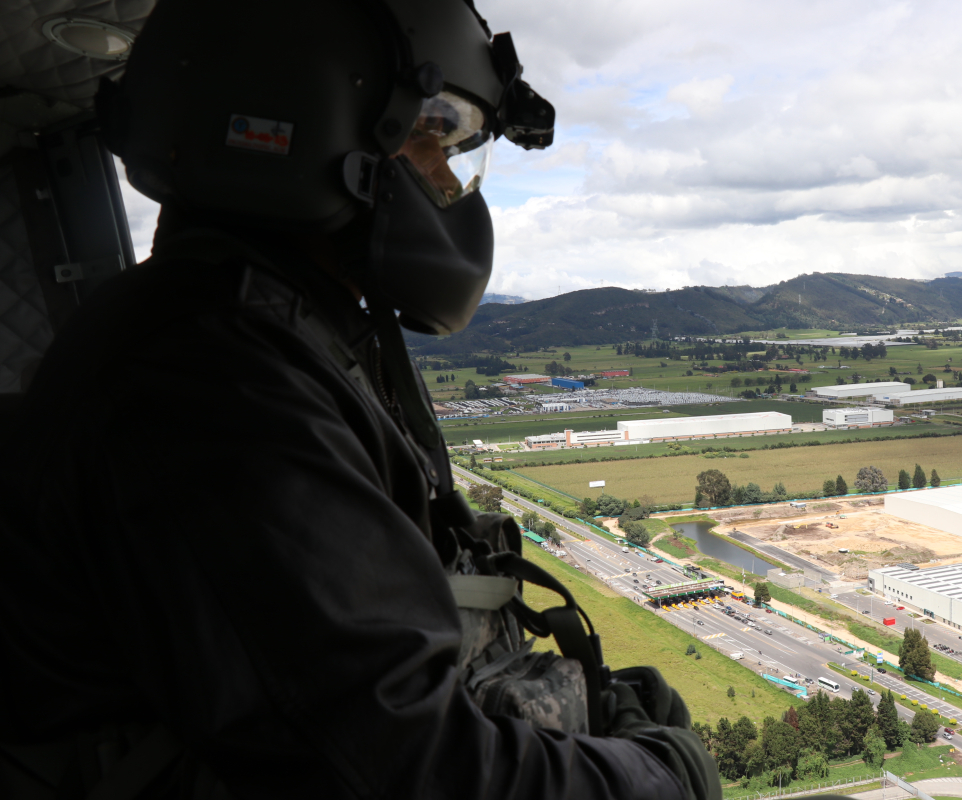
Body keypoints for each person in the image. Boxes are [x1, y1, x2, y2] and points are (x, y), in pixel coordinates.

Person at [0, 1, 717, 798]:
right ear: (316, 122)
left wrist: (591, 713)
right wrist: (659, 778)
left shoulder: (264, 333)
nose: (446, 179)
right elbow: (402, 769)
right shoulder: (209, 383)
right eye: (429, 134)